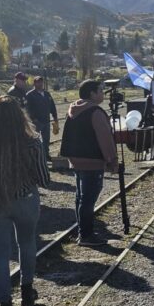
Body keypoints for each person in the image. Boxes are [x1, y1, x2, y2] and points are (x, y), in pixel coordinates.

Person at [0, 97, 50, 306]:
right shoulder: (32, 142)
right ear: (20, 116)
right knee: (27, 244)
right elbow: (43, 179)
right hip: (25, 200)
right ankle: (28, 294)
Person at [59, 80, 118, 246]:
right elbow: (105, 139)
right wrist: (112, 160)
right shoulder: (95, 112)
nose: (103, 93)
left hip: (76, 160)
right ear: (92, 93)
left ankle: (82, 231)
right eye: (100, 90)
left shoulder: (74, 109)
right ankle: (86, 235)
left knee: (81, 197)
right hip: (92, 160)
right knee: (88, 199)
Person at [24, 76, 59, 162]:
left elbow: (52, 106)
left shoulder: (47, 94)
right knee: (35, 140)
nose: (40, 84)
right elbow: (28, 109)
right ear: (34, 83)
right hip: (36, 122)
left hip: (46, 121)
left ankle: (46, 155)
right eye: (38, 82)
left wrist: (55, 117)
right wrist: (34, 119)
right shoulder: (30, 95)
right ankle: (36, 157)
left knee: (46, 140)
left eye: (41, 82)